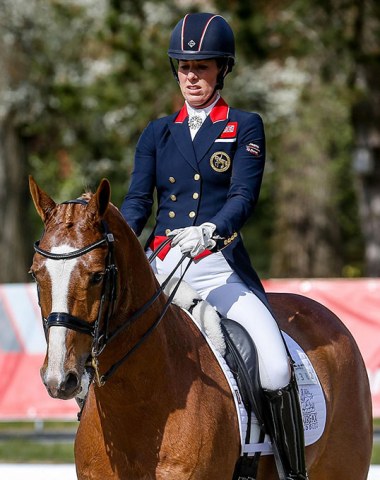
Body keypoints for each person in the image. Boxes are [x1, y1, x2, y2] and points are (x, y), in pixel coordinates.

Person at [121, 12, 308, 480]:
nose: (192, 77)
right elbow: (138, 203)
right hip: (161, 264)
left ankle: (289, 470)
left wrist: (210, 231)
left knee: (274, 364)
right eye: (184, 67)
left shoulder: (244, 126)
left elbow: (244, 196)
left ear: (221, 70)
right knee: (105, 344)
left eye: (202, 67)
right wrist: (116, 244)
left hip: (217, 264)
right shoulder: (157, 132)